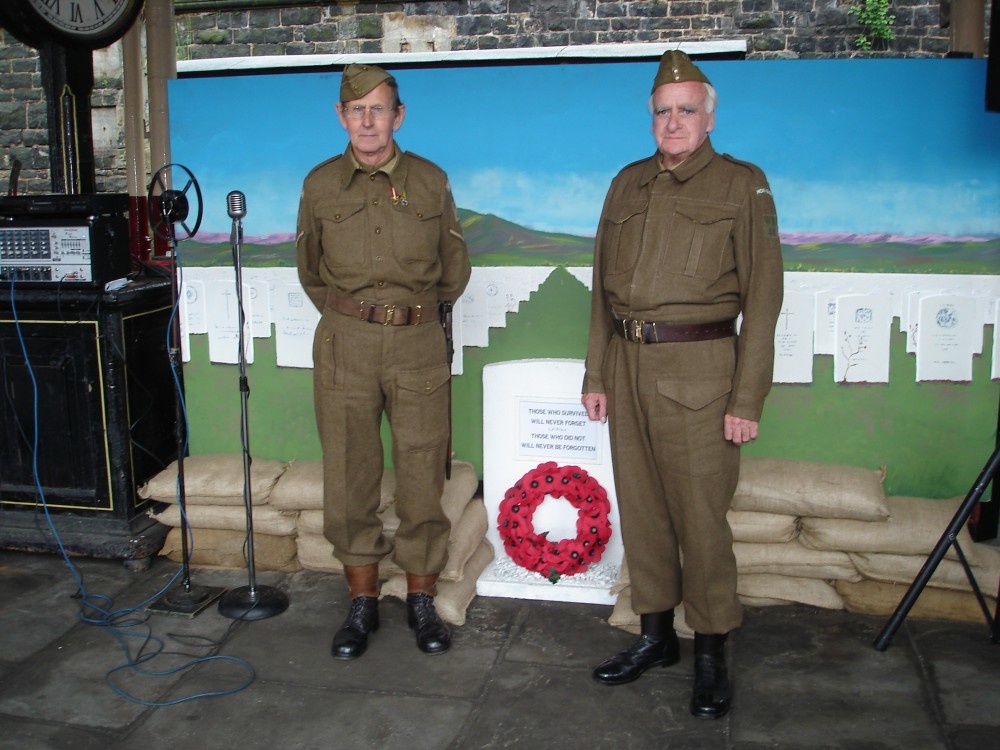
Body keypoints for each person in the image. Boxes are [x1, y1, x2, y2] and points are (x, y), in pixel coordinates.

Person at [582, 50, 783, 719]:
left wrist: (747, 398)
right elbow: (598, 294)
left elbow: (765, 297)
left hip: (702, 375)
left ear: (709, 115)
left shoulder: (739, 185)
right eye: (663, 112)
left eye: (686, 111)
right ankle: (656, 637)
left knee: (701, 522)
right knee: (643, 515)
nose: (673, 123)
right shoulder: (627, 184)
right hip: (629, 367)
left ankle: (710, 652)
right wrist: (596, 371)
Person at [296, 63, 471, 660]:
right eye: (356, 109)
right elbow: (311, 271)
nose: (367, 120)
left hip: (418, 341)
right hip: (345, 340)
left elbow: (454, 270)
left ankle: (421, 595)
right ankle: (362, 597)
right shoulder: (320, 185)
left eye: (379, 109)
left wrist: (410, 316)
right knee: (349, 472)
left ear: (399, 116)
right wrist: (353, 316)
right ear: (340, 116)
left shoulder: (430, 180)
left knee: (423, 470)